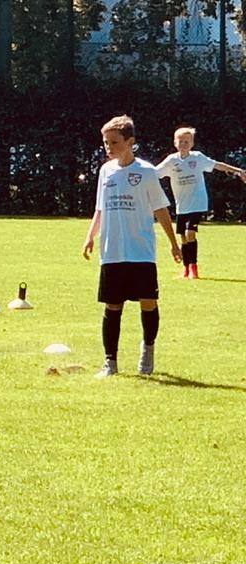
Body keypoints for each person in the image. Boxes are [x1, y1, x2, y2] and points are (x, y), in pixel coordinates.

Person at [82, 114, 184, 377]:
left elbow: (160, 209)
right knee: (112, 305)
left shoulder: (147, 172)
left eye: (114, 142)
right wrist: (90, 236)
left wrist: (174, 244)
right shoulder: (106, 171)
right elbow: (100, 208)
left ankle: (148, 348)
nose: (109, 147)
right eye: (106, 143)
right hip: (112, 251)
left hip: (141, 251)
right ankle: (110, 362)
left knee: (148, 302)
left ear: (130, 142)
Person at [155, 126, 246, 279]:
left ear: (192, 143)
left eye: (187, 141)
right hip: (181, 205)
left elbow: (217, 165)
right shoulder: (171, 160)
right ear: (175, 143)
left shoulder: (197, 158)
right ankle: (185, 269)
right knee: (183, 237)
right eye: (180, 141)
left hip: (197, 203)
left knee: (190, 233)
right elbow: (154, 173)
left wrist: (238, 170)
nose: (183, 144)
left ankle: (194, 268)